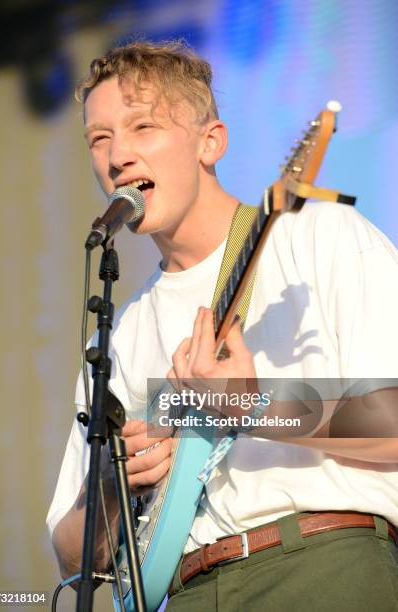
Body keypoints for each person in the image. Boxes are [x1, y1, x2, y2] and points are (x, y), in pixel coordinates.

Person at [47, 40, 398, 611]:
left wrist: (255, 407)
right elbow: (70, 554)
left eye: (143, 127)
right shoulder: (119, 332)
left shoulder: (320, 237)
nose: (118, 157)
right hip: (187, 592)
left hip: (323, 564)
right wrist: (117, 481)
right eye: (100, 138)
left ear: (211, 142)